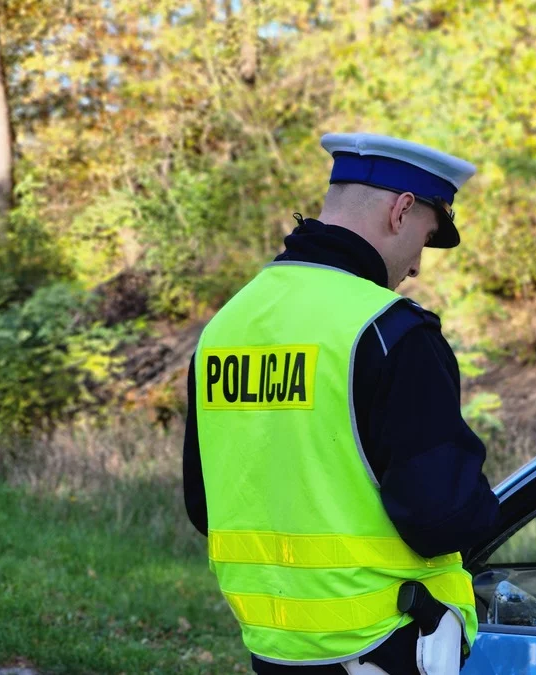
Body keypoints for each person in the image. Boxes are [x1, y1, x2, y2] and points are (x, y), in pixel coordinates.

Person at [182, 132, 501, 675]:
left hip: (275, 649)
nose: (416, 267)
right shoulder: (391, 331)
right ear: (401, 210)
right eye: (426, 239)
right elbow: (441, 517)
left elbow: (204, 506)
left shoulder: (226, 326)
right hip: (387, 643)